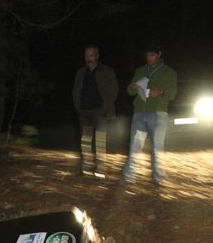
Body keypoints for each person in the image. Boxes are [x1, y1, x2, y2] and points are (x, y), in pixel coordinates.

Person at [121, 42, 177, 187]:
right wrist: (133, 86)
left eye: (151, 55)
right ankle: (129, 177)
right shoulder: (140, 70)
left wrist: (160, 92)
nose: (149, 58)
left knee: (157, 146)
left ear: (158, 54)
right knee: (134, 145)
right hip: (139, 112)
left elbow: (172, 93)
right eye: (147, 55)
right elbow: (130, 91)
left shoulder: (168, 72)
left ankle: (158, 178)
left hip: (157, 114)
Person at [72, 45, 119, 179]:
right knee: (85, 141)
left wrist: (105, 107)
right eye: (86, 56)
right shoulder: (81, 72)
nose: (89, 59)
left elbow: (114, 90)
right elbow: (75, 90)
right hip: (84, 111)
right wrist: (78, 106)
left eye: (91, 56)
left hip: (99, 111)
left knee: (100, 141)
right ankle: (85, 168)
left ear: (97, 56)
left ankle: (100, 169)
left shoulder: (107, 71)